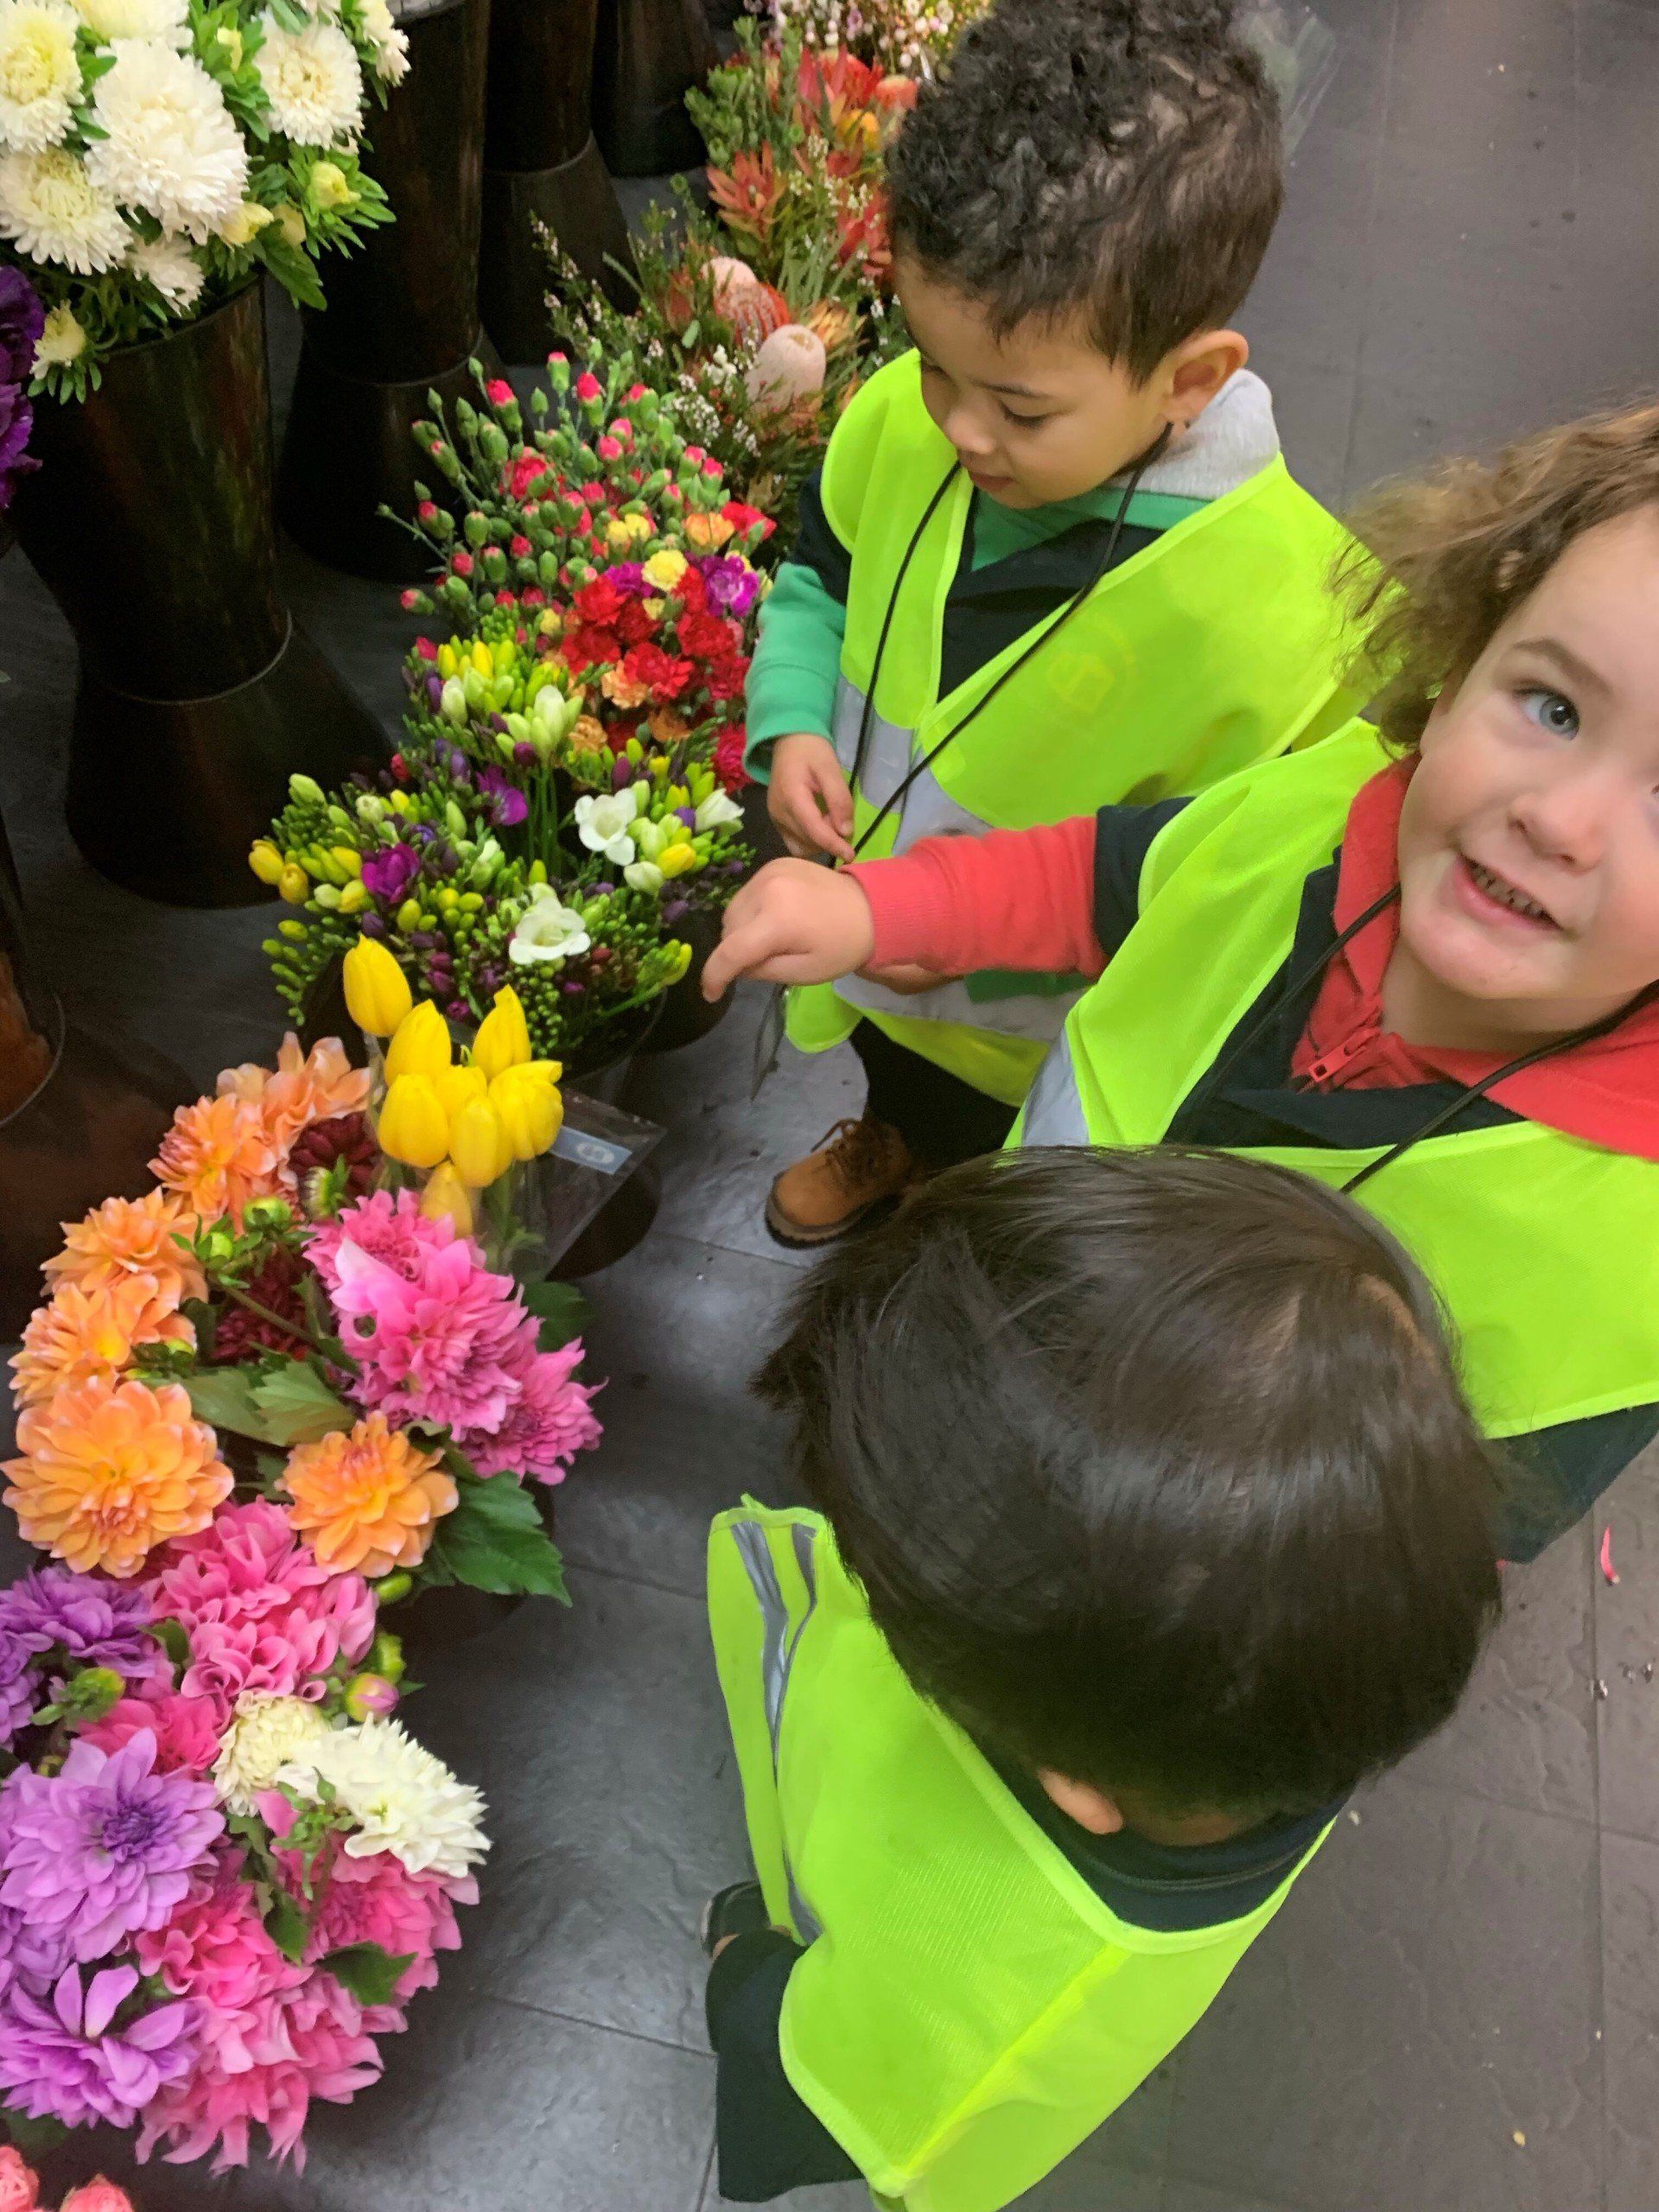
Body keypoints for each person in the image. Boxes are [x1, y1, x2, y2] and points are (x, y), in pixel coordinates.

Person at [704, 399, 1659, 1559]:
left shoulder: (1631, 1265)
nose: (1559, 820)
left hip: (1168, 1578)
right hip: (999, 1321)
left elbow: (1447, 1550)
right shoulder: (1315, 811)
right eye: (1553, 707)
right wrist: (882, 906)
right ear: (1461, 664)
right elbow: (1104, 877)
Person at [705, 1146, 1501, 2207]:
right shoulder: (1298, 1694)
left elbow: (814, 2095)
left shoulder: (976, 1996)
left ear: (1070, 1779)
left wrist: (743, 1978)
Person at [746, 0, 1362, 1248]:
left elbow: (1225, 888)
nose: (959, 429)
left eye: (1021, 411)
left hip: (1039, 1028)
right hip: (877, 951)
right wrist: (794, 717)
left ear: (1190, 379)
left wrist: (963, 926)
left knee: (1003, 1179)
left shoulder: (1286, 613)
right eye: (933, 364)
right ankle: (887, 1133)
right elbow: (821, 575)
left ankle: (959, 1198)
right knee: (901, 1073)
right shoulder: (900, 426)